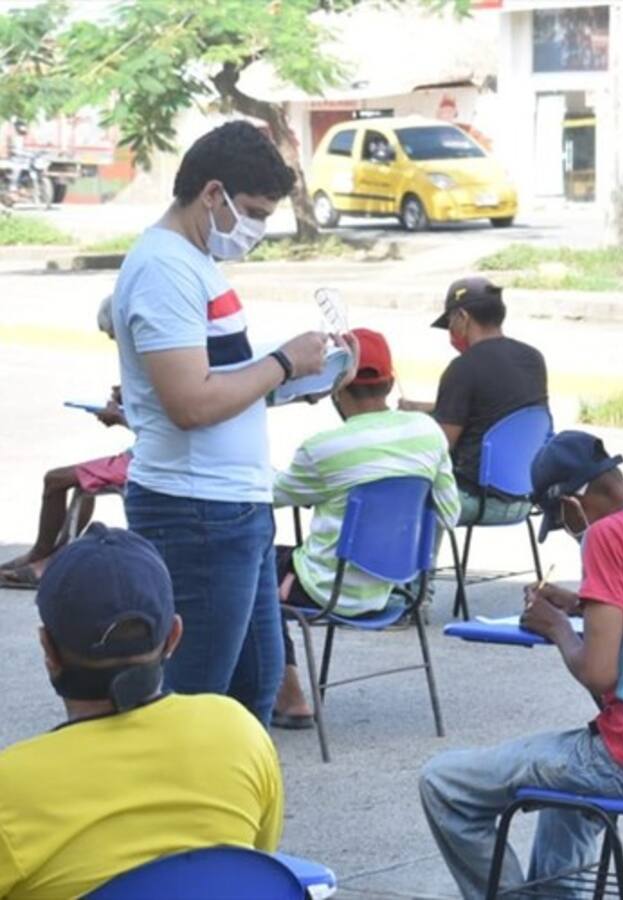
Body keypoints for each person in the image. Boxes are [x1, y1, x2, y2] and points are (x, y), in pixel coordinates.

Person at [420, 431, 623, 897]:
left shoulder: (606, 535)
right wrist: (581, 604)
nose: (570, 532)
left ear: (571, 503)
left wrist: (558, 629)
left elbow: (599, 674)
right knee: (563, 789)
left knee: (443, 782)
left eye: (564, 521)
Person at [111, 120, 336, 725]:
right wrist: (286, 363)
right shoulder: (166, 269)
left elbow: (225, 376)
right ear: (212, 194)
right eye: (254, 212)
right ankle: (191, 817)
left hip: (232, 507)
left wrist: (302, 378)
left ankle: (233, 819)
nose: (257, 229)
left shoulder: (195, 259)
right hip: (196, 513)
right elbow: (192, 403)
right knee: (200, 703)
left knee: (254, 687)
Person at [0, 524, 284, 899]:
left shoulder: (13, 785)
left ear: (48, 650)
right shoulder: (238, 732)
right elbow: (256, 865)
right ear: (174, 636)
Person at [271, 328, 460, 728]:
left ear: (336, 384)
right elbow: (449, 512)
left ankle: (290, 697)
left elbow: (271, 495)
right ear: (391, 383)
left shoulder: (323, 448)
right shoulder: (428, 432)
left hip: (327, 588)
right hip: (396, 586)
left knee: (248, 568)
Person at [1, 297, 129, 589]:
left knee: (57, 479)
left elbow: (158, 424)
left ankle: (44, 555)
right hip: (145, 455)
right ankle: (51, 554)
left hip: (145, 460)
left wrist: (118, 416)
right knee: (80, 480)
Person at [400, 277, 547, 526]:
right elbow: (497, 409)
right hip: (524, 496)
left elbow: (440, 447)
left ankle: (424, 565)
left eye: (450, 323)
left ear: (463, 318)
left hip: (473, 500)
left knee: (403, 489)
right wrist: (421, 407)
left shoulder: (463, 368)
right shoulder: (532, 358)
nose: (450, 332)